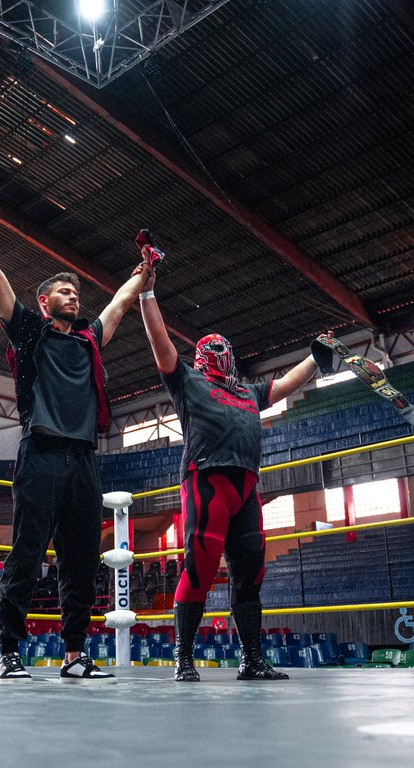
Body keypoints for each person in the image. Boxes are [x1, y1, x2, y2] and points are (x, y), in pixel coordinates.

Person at [0, 188, 153, 682]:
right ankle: (8, 651)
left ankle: (74, 655)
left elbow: (120, 302)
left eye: (76, 292)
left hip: (84, 458)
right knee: (26, 552)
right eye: (64, 292)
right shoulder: (28, 332)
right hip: (41, 451)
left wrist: (142, 272)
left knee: (81, 560)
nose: (74, 296)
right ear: (45, 302)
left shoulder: (90, 338)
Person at [136, 250, 322, 682]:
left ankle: (252, 660)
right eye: (213, 349)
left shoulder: (247, 392)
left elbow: (286, 384)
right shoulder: (188, 381)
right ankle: (184, 659)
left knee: (251, 573)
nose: (221, 352)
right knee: (199, 570)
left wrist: (316, 357)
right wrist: (147, 294)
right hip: (206, 481)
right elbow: (160, 343)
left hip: (245, 489)